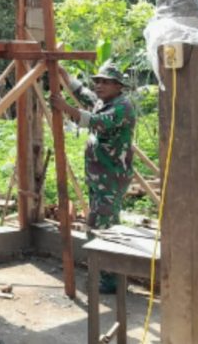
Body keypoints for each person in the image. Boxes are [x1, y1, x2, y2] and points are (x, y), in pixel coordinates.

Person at [51, 61, 136, 294]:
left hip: (112, 177)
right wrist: (64, 76)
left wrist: (65, 108)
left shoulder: (122, 107)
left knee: (101, 227)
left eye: (105, 82)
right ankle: (111, 276)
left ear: (118, 86)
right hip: (100, 177)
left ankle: (111, 280)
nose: (99, 86)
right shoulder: (103, 101)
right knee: (106, 224)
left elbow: (98, 122)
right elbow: (84, 94)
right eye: (97, 81)